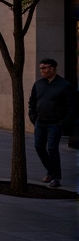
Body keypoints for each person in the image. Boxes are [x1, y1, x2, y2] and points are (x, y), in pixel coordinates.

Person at [28, 58, 75, 189]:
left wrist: (63, 123)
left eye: (44, 68)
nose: (42, 71)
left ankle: (55, 177)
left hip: (55, 123)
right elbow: (32, 102)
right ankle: (51, 171)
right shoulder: (38, 84)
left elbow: (71, 106)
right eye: (41, 68)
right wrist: (33, 118)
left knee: (52, 148)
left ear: (53, 68)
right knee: (39, 147)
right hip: (40, 123)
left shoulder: (64, 85)